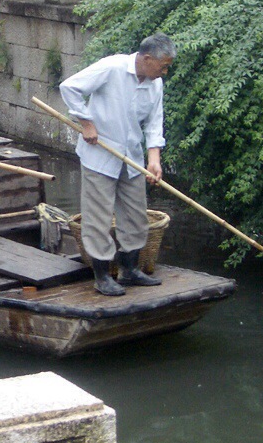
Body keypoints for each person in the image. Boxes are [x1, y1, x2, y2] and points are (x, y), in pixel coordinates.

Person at [59, 33, 177, 296]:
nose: (165, 71)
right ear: (147, 59)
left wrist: (154, 159)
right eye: (163, 65)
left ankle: (130, 269)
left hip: (131, 158)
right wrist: (87, 123)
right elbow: (70, 87)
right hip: (99, 155)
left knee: (135, 214)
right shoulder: (111, 68)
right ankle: (101, 276)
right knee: (98, 217)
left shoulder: (155, 84)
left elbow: (155, 122)